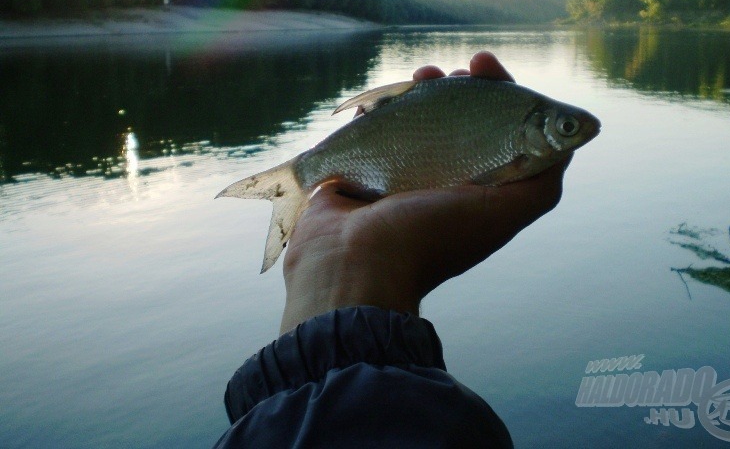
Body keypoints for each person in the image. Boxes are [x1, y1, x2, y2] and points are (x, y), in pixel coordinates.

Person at [213, 52, 571, 448]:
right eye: (566, 128)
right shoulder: (448, 428)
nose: (572, 135)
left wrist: (341, 267)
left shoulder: (258, 431)